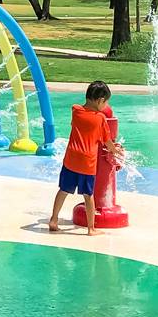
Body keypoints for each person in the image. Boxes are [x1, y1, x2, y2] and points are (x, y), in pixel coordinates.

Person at [48, 80, 120, 235]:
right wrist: (115, 151)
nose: (106, 106)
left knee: (63, 190)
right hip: (87, 163)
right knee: (88, 196)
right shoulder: (100, 118)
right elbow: (107, 141)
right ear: (100, 101)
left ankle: (53, 219)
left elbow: (77, 118)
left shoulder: (76, 110)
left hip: (71, 160)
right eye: (106, 102)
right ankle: (91, 228)